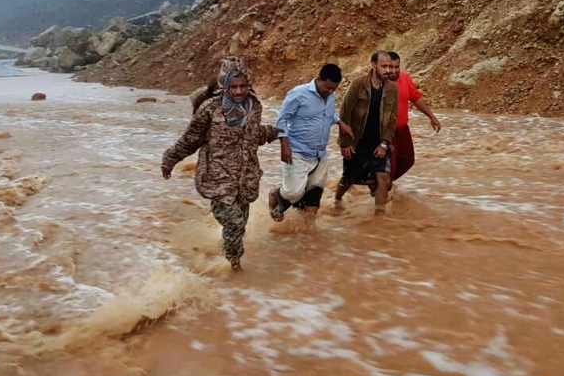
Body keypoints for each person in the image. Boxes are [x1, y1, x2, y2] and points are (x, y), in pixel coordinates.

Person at [161, 57, 280, 271]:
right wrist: (169, 160)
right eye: (233, 86)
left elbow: (253, 135)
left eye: (243, 85)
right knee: (234, 222)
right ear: (224, 84)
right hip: (218, 178)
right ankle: (234, 267)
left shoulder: (254, 106)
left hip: (245, 177)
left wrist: (275, 132)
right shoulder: (210, 108)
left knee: (240, 224)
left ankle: (226, 250)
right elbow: (191, 139)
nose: (238, 91)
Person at [268, 64, 353, 221]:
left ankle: (307, 237)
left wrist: (339, 122)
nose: (330, 92)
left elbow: (326, 114)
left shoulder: (331, 96)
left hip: (320, 155)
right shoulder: (298, 94)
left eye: (333, 89)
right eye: (327, 87)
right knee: (294, 193)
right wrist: (284, 145)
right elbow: (281, 121)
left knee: (314, 195)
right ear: (318, 79)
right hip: (297, 152)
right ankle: (276, 195)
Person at [334, 51, 398, 215]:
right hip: (357, 141)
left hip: (378, 142)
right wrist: (345, 142)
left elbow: (391, 120)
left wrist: (384, 143)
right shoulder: (358, 84)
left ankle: (379, 218)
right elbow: (344, 113)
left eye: (390, 66)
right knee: (348, 179)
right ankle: (337, 200)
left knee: (383, 179)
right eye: (384, 66)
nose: (388, 70)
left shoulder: (392, 89)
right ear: (374, 65)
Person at [386, 51, 442, 181]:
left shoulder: (405, 78)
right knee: (389, 167)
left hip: (403, 130)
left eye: (397, 67)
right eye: (390, 67)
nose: (394, 71)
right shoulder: (377, 83)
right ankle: (381, 188)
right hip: (385, 132)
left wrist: (431, 116)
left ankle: (382, 184)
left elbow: (416, 98)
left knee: (408, 161)